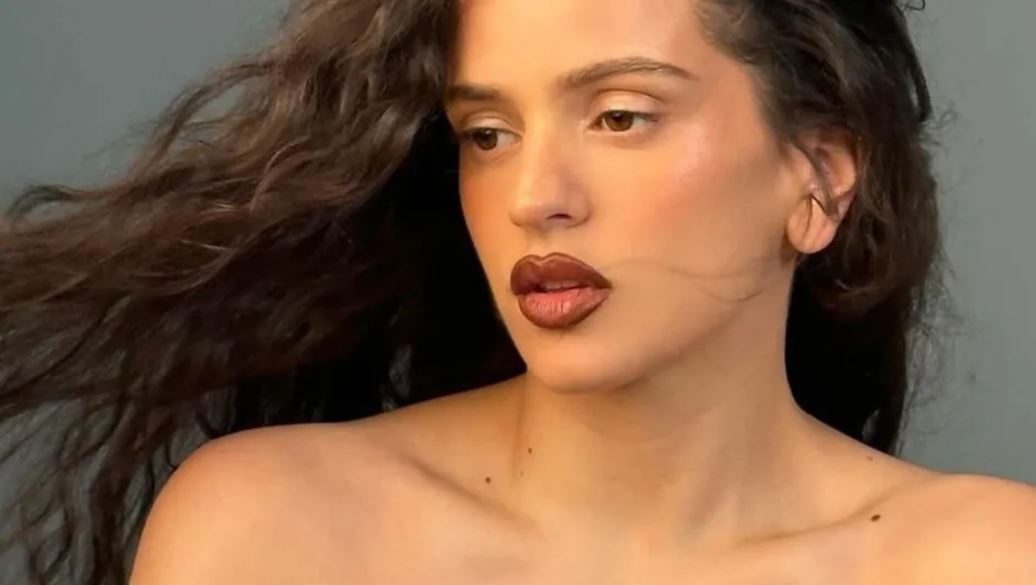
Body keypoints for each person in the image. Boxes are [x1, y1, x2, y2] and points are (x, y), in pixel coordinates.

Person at [1, 0, 1034, 583]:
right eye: (487, 134)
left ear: (817, 181)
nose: (535, 197)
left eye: (621, 116)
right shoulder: (280, 532)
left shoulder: (985, 561)